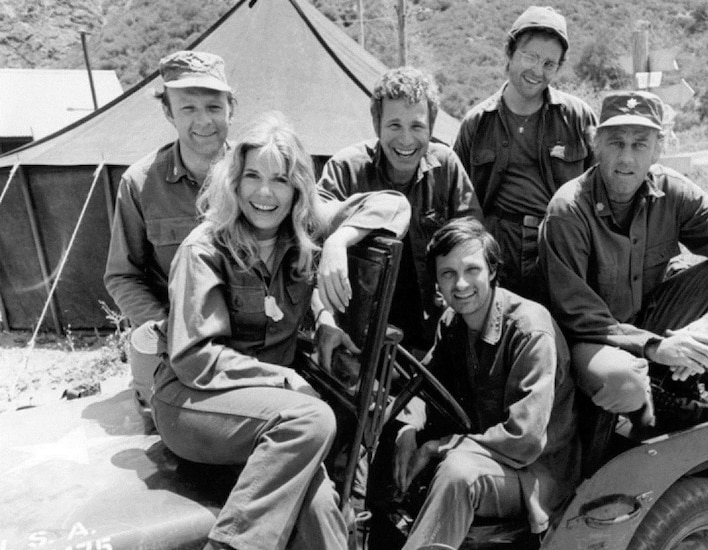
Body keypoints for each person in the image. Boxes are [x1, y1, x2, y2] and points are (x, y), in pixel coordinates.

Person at [151, 113, 411, 550]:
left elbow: (393, 205)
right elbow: (196, 359)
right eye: (252, 176)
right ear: (234, 182)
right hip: (194, 400)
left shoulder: (301, 234)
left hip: (271, 410)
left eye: (280, 179)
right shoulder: (204, 249)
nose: (265, 192)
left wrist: (336, 245)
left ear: (298, 189)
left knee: (320, 500)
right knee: (312, 419)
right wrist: (286, 379)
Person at [539, 90, 708, 431]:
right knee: (620, 379)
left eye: (640, 145)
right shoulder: (568, 210)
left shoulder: (671, 190)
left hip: (648, 318)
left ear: (657, 150)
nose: (627, 158)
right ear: (596, 146)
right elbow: (578, 316)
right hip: (591, 339)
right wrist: (656, 348)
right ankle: (617, 431)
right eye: (616, 143)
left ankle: (679, 384)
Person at [378, 218, 579, 549]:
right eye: (448, 274)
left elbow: (524, 439)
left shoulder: (530, 329)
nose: (460, 284)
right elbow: (423, 387)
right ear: (437, 284)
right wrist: (407, 431)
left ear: (492, 271)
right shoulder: (453, 321)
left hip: (534, 471)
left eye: (471, 270)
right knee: (383, 430)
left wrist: (437, 446)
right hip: (485, 451)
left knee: (458, 473)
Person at [104, 50, 236, 421]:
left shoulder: (258, 175)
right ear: (168, 113)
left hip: (249, 348)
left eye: (213, 106)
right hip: (171, 353)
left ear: (231, 108)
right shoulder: (140, 184)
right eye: (188, 108)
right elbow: (122, 275)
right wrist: (167, 328)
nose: (204, 121)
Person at [318, 66, 482, 354]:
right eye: (394, 126)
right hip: (355, 337)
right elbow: (308, 242)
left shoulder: (446, 167)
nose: (406, 139)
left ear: (431, 127)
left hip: (432, 335)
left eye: (417, 126)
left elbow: (475, 243)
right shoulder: (345, 169)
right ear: (376, 123)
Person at [453, 5, 596, 302]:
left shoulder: (578, 117)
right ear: (510, 53)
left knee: (560, 334)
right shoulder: (477, 123)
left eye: (549, 63)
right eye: (530, 56)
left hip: (560, 246)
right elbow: (457, 201)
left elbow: (602, 192)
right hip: (496, 247)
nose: (537, 71)